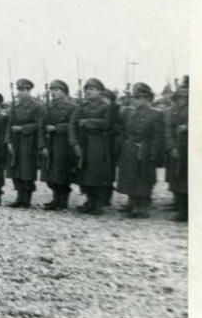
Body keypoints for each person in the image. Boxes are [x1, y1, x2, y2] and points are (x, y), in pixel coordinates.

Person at [116, 82, 164, 219]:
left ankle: (143, 206)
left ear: (146, 99)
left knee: (144, 177)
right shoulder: (130, 112)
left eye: (138, 98)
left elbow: (157, 137)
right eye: (134, 97)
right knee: (130, 176)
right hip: (130, 149)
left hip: (145, 149)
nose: (135, 100)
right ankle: (132, 202)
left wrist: (154, 154)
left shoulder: (155, 114)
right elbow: (123, 127)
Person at [68, 78, 113, 215]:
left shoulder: (106, 107)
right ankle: (90, 201)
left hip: (98, 144)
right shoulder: (80, 107)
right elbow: (72, 126)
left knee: (97, 173)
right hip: (83, 143)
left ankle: (98, 204)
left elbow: (108, 124)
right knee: (84, 173)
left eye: (92, 89)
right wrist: (74, 143)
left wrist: (89, 122)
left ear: (100, 91)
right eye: (87, 89)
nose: (88, 92)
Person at [6, 78, 44, 208]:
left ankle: (26, 199)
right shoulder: (15, 107)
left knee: (27, 169)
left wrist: (22, 129)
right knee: (15, 169)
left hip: (29, 142)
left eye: (23, 90)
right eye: (19, 90)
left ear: (29, 90)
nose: (20, 93)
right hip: (16, 141)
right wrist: (8, 141)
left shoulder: (36, 106)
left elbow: (39, 125)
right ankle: (19, 197)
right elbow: (9, 125)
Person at [40, 80, 77, 210]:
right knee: (51, 172)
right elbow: (41, 126)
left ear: (64, 92)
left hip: (64, 144)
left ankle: (63, 200)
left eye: (57, 90)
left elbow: (73, 126)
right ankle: (55, 198)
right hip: (50, 143)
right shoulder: (48, 107)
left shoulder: (72, 107)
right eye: (52, 90)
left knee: (62, 172)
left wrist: (56, 128)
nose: (53, 93)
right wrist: (42, 145)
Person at [165, 76, 189, 222]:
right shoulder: (175, 109)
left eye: (187, 89)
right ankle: (182, 210)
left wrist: (188, 127)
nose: (184, 92)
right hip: (179, 148)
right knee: (178, 179)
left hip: (197, 149)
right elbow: (168, 128)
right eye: (182, 89)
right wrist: (171, 146)